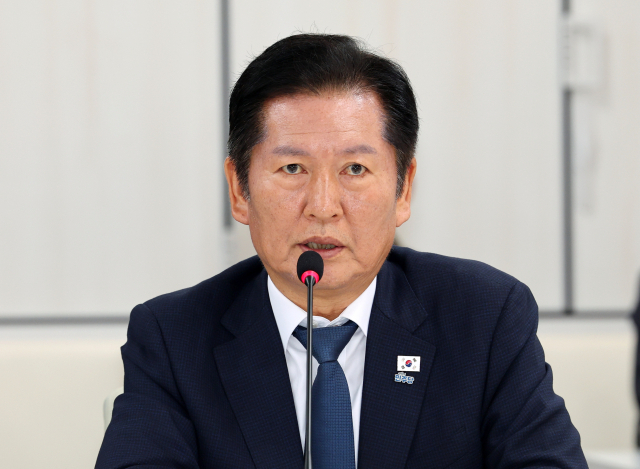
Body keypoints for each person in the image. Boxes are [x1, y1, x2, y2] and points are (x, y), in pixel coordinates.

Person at [96, 34, 587, 469]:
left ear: (403, 189)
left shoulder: (483, 317)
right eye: (292, 169)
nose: (323, 206)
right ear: (239, 190)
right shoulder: (174, 338)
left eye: (355, 169)